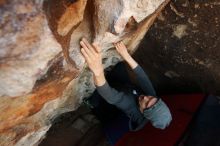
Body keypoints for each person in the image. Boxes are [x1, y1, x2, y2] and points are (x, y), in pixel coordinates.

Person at [79, 38, 172, 132]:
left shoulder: (130, 106)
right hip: (125, 87)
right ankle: (109, 78)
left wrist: (98, 70)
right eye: (151, 98)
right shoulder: (152, 98)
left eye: (146, 104)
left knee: (95, 95)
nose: (145, 98)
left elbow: (108, 94)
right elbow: (142, 76)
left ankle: (91, 102)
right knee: (120, 66)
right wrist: (126, 55)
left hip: (112, 99)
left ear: (142, 112)